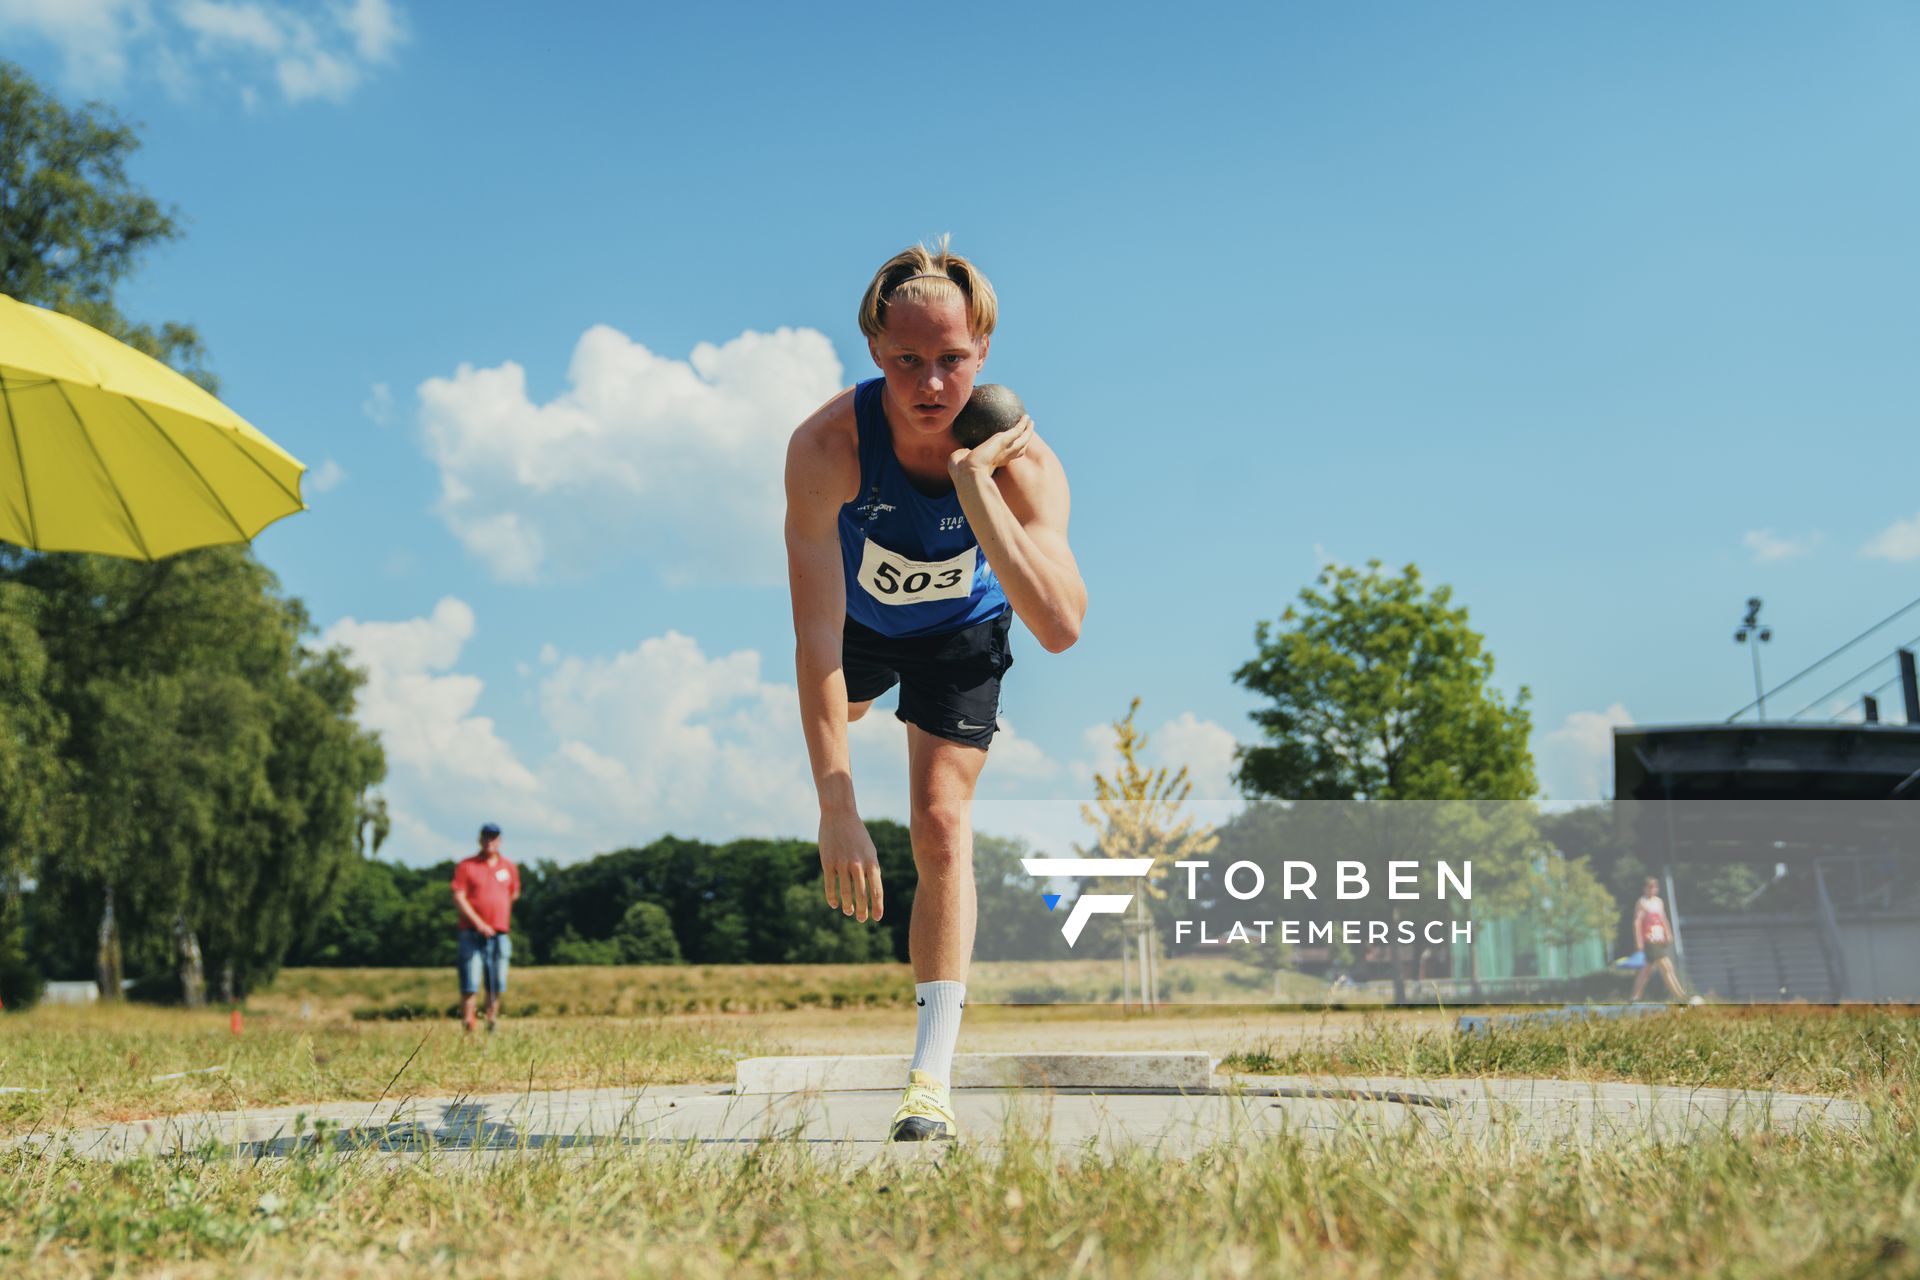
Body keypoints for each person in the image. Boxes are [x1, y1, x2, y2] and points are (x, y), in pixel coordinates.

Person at [784, 239, 1087, 1141]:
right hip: (863, 627)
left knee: (940, 820)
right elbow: (811, 636)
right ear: (875, 353)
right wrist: (836, 803)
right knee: (840, 704)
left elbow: (1061, 627)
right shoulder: (828, 447)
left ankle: (929, 1077)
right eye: (907, 360)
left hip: (962, 632)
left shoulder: (1025, 467)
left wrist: (972, 480)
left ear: (982, 354)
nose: (929, 384)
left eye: (951, 360)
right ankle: (868, 709)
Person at [451, 822, 519, 1032]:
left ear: (499, 841)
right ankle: (468, 1024)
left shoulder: (509, 867)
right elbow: (459, 897)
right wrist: (479, 923)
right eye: (486, 837)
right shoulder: (466, 866)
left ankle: (491, 1022)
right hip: (471, 933)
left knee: (497, 981)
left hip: (499, 933)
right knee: (470, 980)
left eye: (494, 837)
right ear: (480, 839)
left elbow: (513, 893)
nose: (490, 841)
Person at [1629, 875, 1687, 1001]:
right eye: (1650, 887)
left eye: (1655, 887)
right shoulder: (1642, 902)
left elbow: (1663, 919)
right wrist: (1638, 941)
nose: (1652, 890)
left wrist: (1668, 934)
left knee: (1647, 970)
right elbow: (1637, 922)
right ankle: (1680, 995)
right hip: (1650, 940)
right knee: (1667, 966)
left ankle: (1635, 997)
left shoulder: (1658, 902)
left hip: (1659, 939)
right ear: (1644, 888)